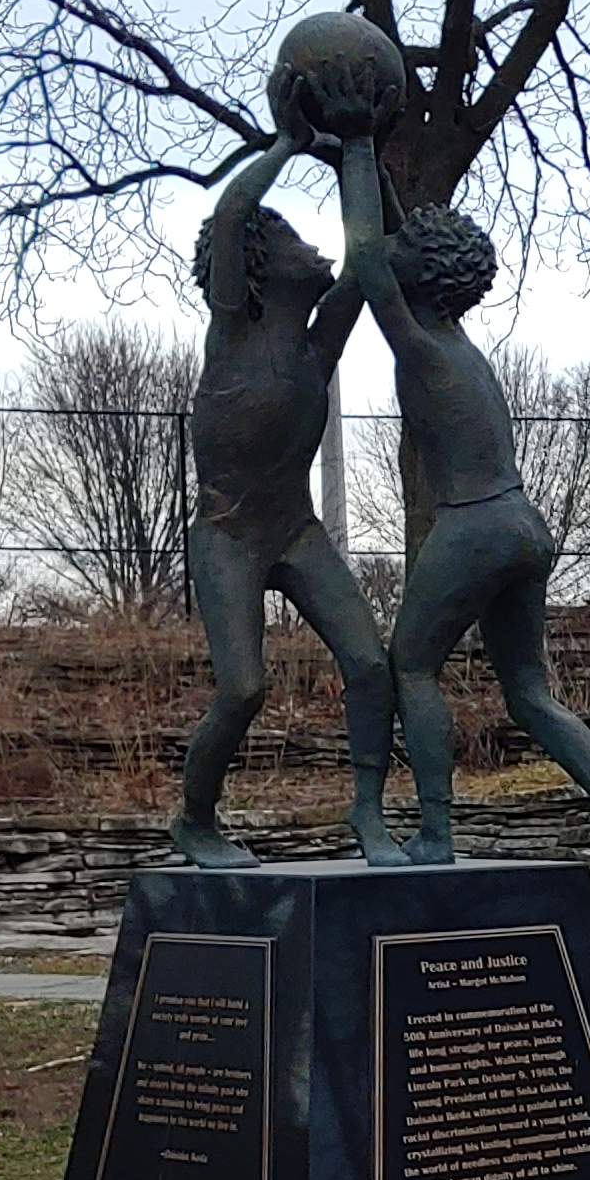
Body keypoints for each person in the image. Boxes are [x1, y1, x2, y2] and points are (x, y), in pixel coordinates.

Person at [318, 117, 590, 892]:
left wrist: (362, 147)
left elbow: (372, 257)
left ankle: (436, 830)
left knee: (410, 666)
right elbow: (399, 242)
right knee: (529, 691)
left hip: (475, 525)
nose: (396, 250)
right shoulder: (456, 340)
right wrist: (357, 164)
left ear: (422, 281)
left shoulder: (422, 342)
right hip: (523, 527)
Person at [172, 98, 400, 867]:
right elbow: (236, 209)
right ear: (266, 262)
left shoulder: (316, 346)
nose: (319, 253)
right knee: (243, 690)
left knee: (371, 664)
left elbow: (369, 251)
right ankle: (196, 821)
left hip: (294, 530)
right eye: (299, 239)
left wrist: (359, 152)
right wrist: (288, 144)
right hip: (229, 532)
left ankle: (367, 813)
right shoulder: (234, 322)